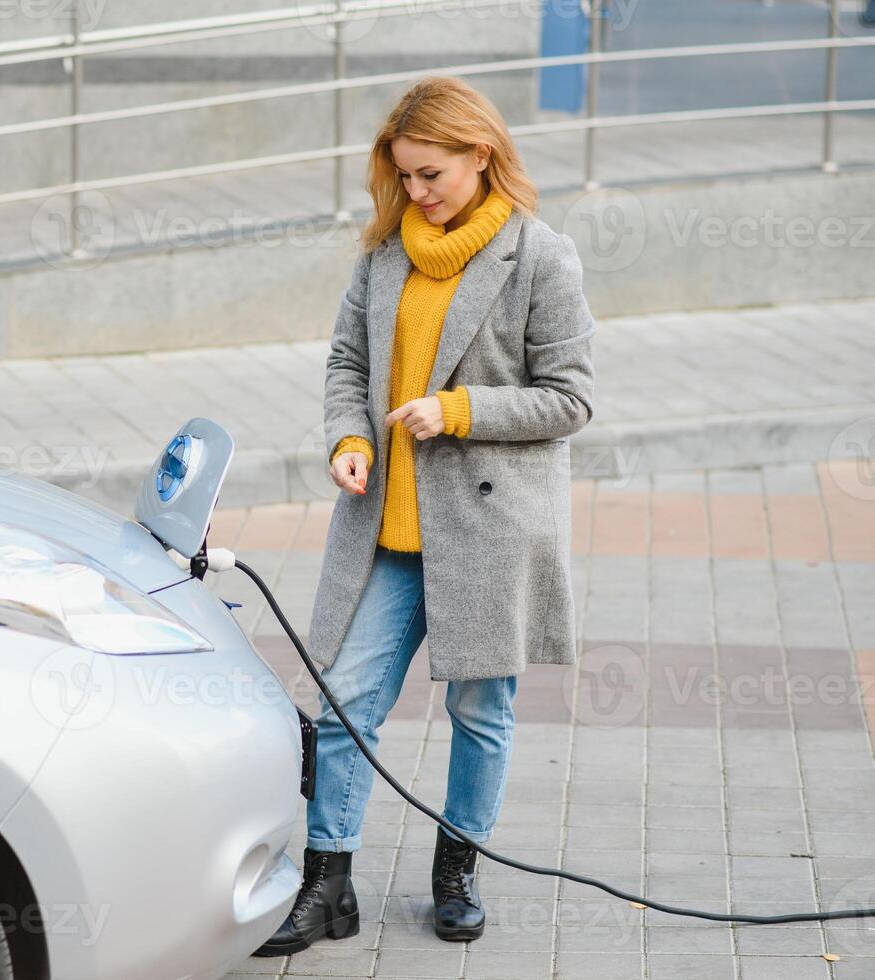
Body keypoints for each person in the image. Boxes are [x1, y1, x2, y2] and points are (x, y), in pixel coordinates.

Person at [254, 75, 595, 956]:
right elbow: (344, 365)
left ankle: (458, 871)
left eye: (431, 173)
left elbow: (570, 401)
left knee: (482, 712)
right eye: (404, 176)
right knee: (344, 703)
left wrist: (460, 411)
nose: (417, 193)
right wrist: (346, 440)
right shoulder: (384, 254)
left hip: (486, 531)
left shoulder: (541, 256)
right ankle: (328, 885)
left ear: (482, 155)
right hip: (387, 530)